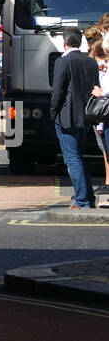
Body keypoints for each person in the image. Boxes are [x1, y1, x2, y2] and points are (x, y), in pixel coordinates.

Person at [49, 27, 98, 209]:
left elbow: (58, 91)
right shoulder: (90, 62)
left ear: (64, 43)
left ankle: (82, 200)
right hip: (86, 115)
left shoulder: (63, 62)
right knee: (79, 156)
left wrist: (53, 112)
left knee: (72, 159)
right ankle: (88, 197)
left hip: (67, 116)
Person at [89, 41, 109, 196]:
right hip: (103, 119)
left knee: (106, 150)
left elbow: (105, 94)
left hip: (104, 117)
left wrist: (100, 92)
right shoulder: (103, 67)